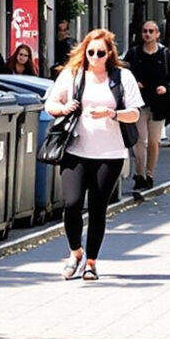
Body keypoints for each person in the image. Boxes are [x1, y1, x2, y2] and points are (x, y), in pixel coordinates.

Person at [45, 28, 145, 282]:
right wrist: (65, 107)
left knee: (98, 208)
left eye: (100, 52)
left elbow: (134, 113)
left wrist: (111, 114)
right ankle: (75, 252)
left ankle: (91, 262)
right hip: (75, 150)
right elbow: (50, 104)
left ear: (109, 53)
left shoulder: (123, 77)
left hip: (110, 153)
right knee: (72, 204)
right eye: (90, 52)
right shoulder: (73, 74)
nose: (95, 57)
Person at [123, 21, 170, 191]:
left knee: (154, 142)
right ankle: (139, 175)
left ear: (157, 34)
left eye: (150, 31)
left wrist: (167, 88)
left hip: (159, 105)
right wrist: (134, 83)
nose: (147, 34)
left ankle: (150, 174)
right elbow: (123, 72)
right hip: (139, 104)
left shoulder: (166, 55)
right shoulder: (133, 54)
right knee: (140, 140)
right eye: (144, 31)